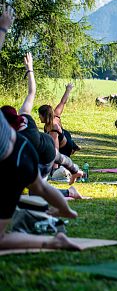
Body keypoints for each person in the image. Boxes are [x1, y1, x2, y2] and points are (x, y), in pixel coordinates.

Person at [0, 5, 79, 251]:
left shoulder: (50, 124)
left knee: (39, 188)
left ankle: (53, 237)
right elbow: (32, 92)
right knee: (41, 188)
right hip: (25, 150)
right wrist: (3, 27)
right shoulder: (23, 119)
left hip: (21, 161)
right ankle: (67, 210)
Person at [1, 52, 84, 197]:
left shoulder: (13, 137)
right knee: (62, 159)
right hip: (48, 146)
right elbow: (31, 92)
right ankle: (76, 171)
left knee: (36, 191)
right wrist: (30, 69)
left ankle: (69, 191)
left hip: (46, 155)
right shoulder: (24, 117)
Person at [38, 83, 79, 157]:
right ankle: (73, 145)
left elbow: (55, 151)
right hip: (65, 134)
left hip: (65, 147)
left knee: (61, 164)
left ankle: (72, 146)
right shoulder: (56, 115)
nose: (39, 117)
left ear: (44, 116)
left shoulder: (53, 127)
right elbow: (63, 102)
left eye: (40, 115)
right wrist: (68, 89)